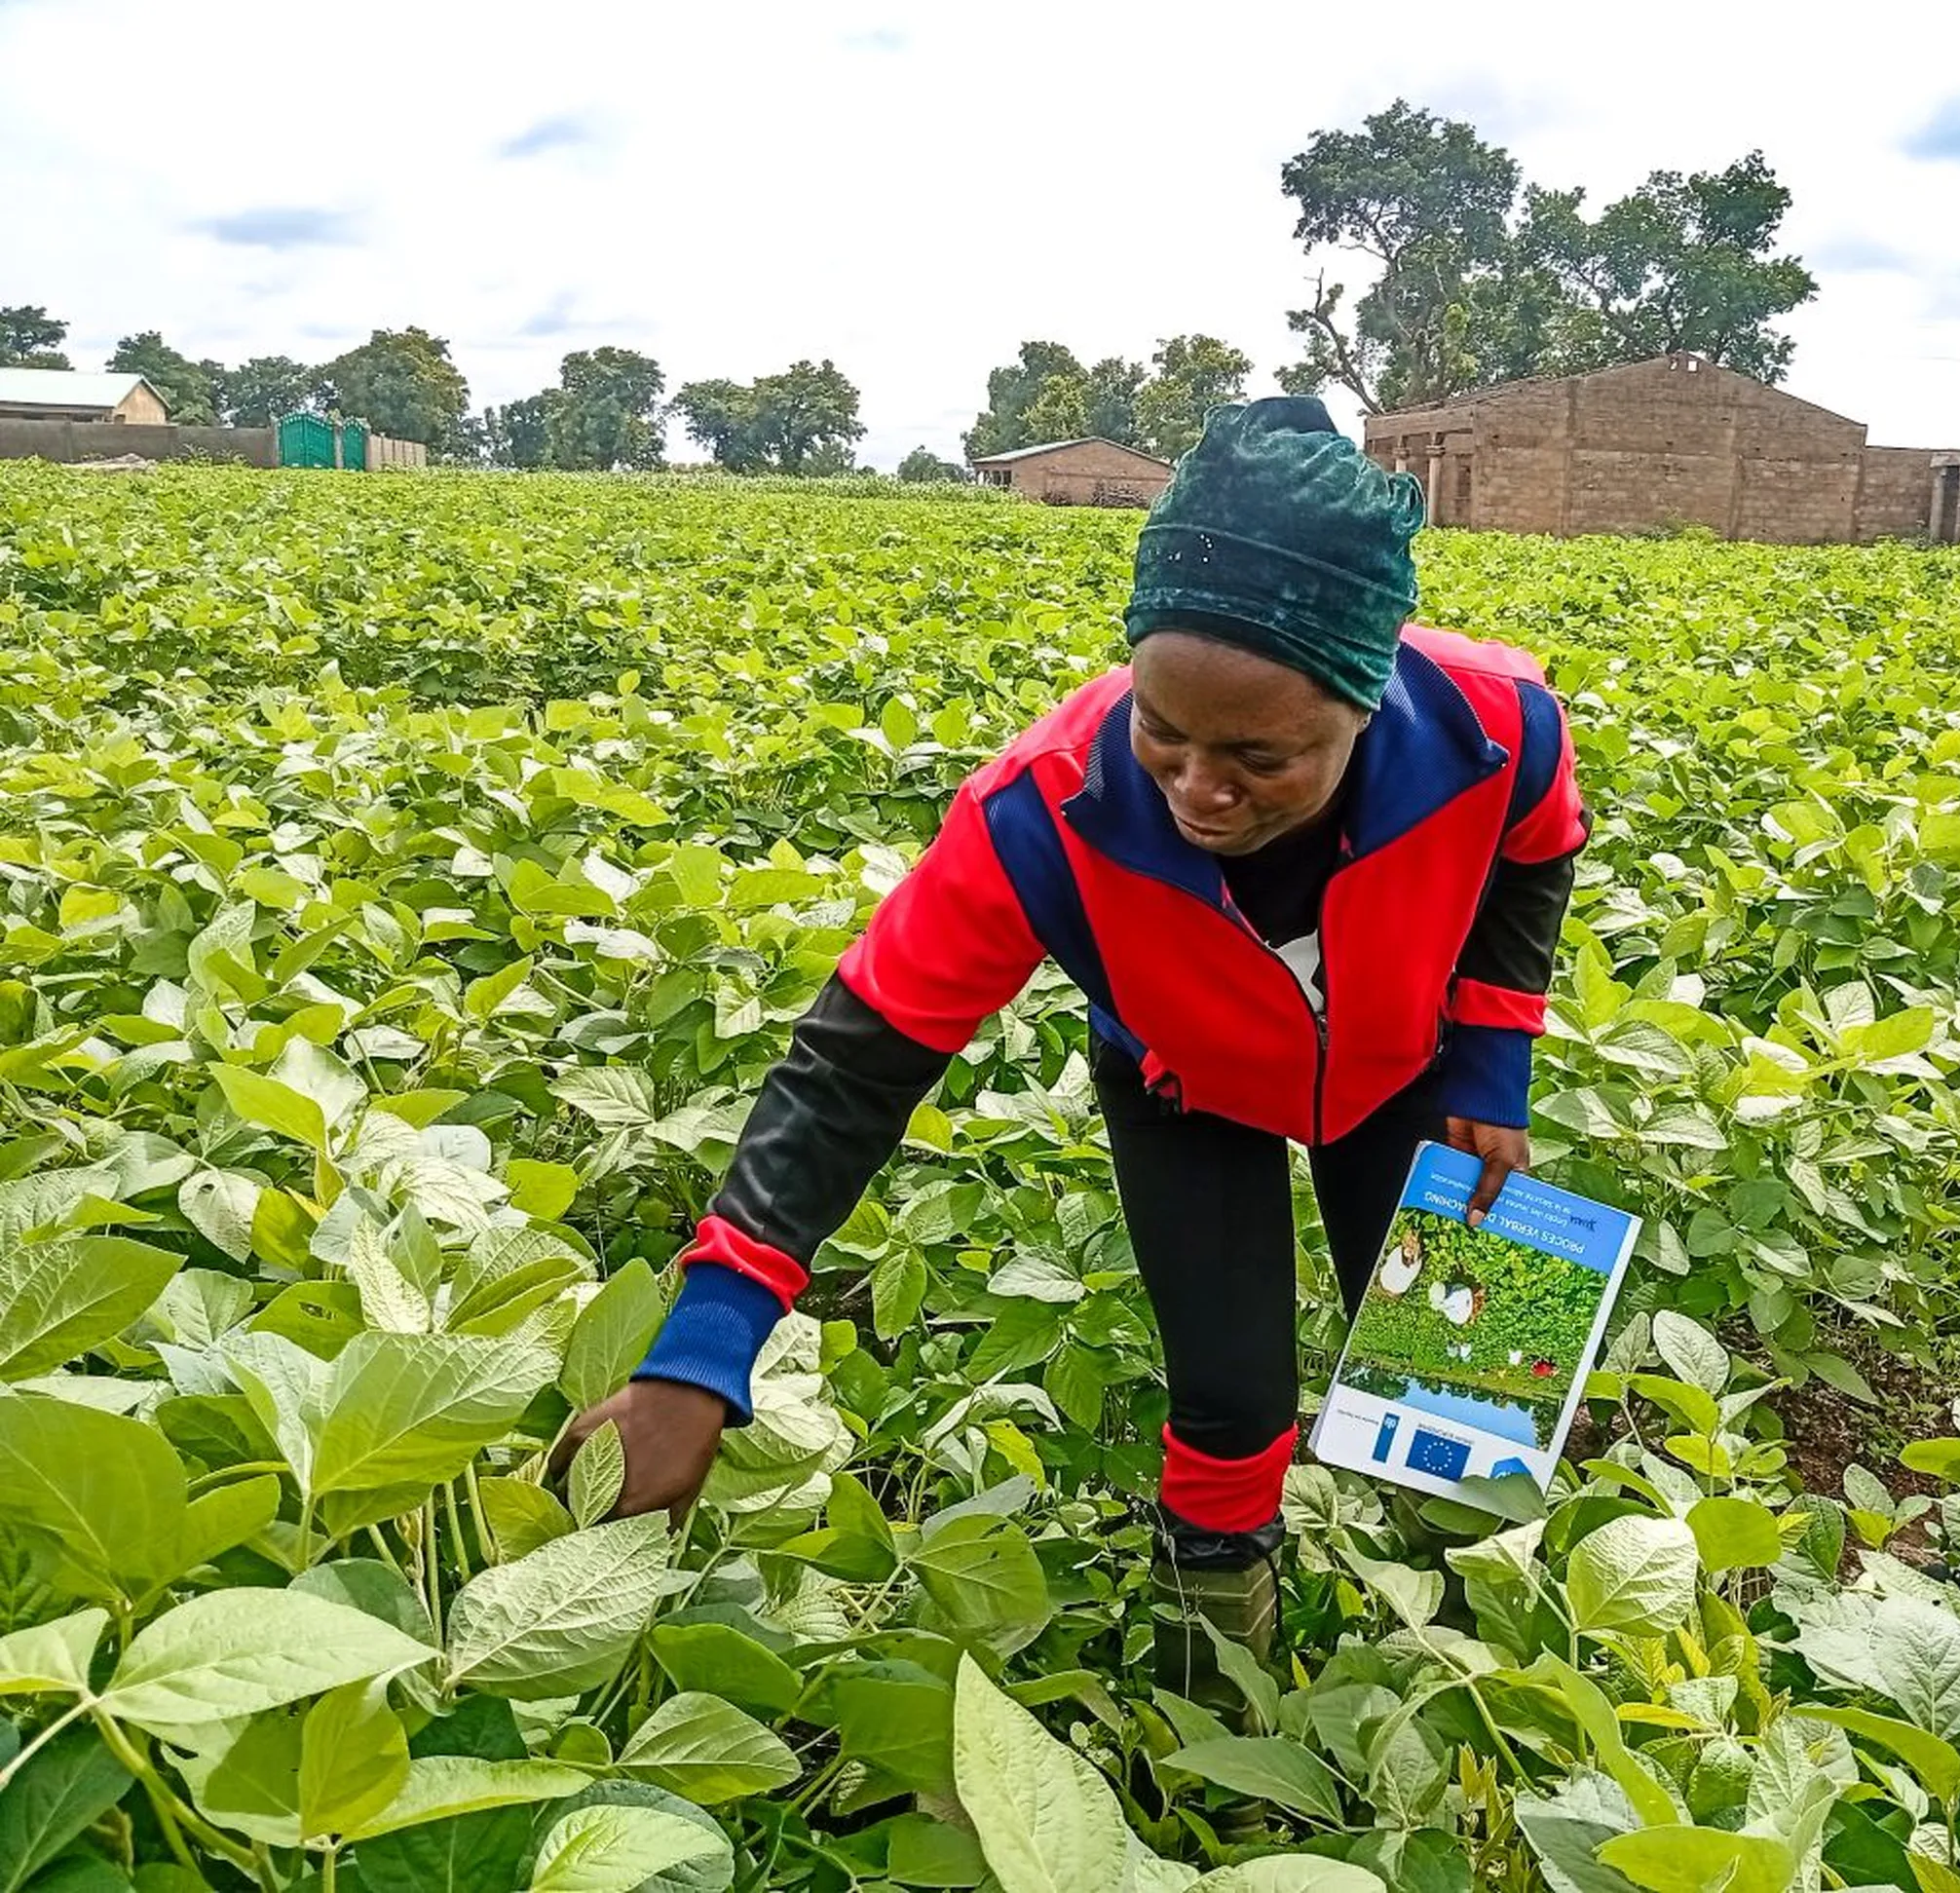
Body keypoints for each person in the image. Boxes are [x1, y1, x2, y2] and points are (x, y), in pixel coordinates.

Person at [561, 397, 1587, 1690]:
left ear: (1364, 703)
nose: (1199, 788)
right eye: (1165, 728)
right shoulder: (1040, 814)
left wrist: (1493, 1059)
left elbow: (1539, 848)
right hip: (1183, 1078)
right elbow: (851, 1067)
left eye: (1261, 755)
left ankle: (1480, 1660)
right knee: (1233, 1396)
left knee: (1470, 1374)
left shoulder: (1495, 725)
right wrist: (702, 1348)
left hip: (1412, 1067)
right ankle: (1213, 1703)